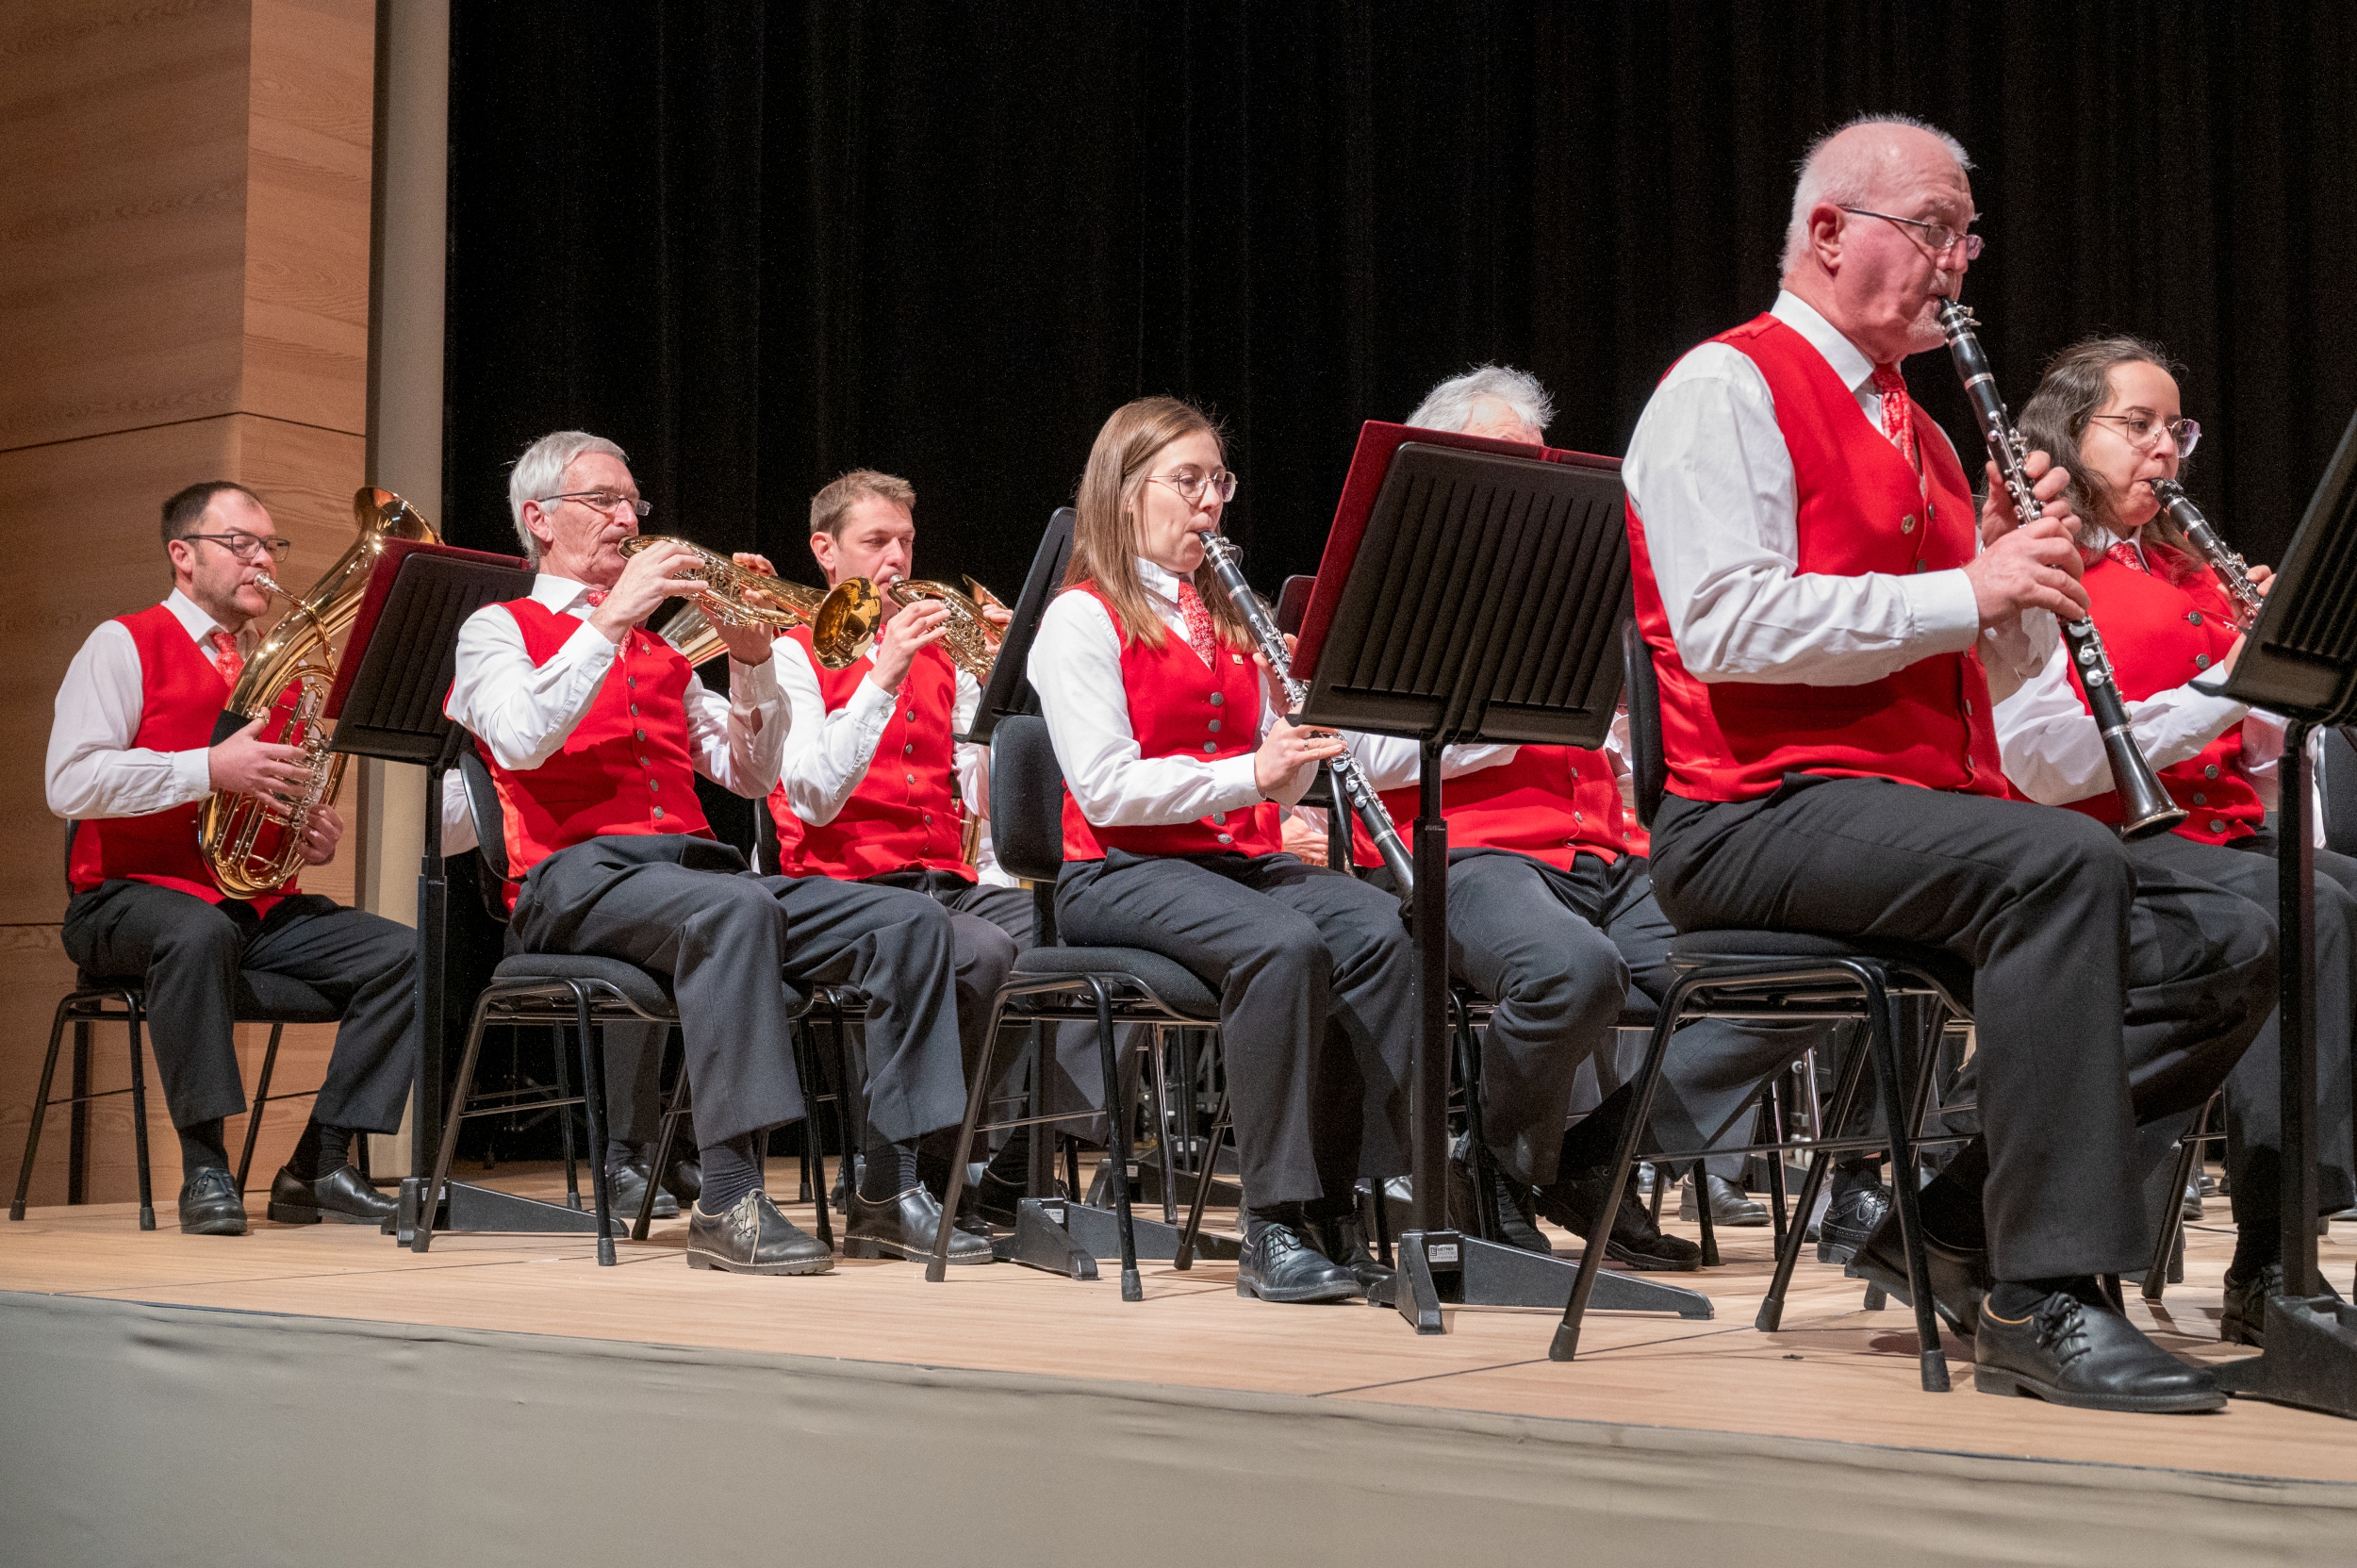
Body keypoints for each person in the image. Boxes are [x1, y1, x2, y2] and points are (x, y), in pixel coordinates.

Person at [1621, 114, 2276, 1412]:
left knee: (2238, 925)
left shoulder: (1918, 434)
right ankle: (2047, 1295)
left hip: (1908, 812)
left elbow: (1970, 680)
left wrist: (2023, 596)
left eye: (1967, 234)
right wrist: (1964, 584)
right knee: (2059, 865)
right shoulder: (1726, 388)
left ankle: (1957, 1224)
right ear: (1827, 235)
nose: (1959, 261)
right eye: (1933, 231)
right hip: (1752, 812)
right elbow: (1728, 627)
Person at [445, 430, 990, 1275]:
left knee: (912, 921)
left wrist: (749, 656)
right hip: (567, 879)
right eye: (605, 501)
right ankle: (729, 1199)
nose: (628, 518)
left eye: (634, 503)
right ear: (539, 520)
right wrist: (614, 614)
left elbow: (750, 771)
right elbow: (518, 737)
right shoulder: (495, 630)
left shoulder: (662, 653)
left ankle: (885, 1185)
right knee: (736, 907)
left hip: (686, 875)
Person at [1994, 337, 2357, 1344]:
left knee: (2331, 895)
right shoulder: (2044, 569)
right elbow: (2042, 761)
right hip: (2089, 850)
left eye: (2175, 428)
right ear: (2067, 436)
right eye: (2137, 425)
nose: (2166, 450)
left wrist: (2282, 668)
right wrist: (2222, 683)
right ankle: (2265, 1262)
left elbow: (2253, 756)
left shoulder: (2189, 569)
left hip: (2218, 838)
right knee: (2311, 907)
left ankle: (2280, 1249)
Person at [1029, 395, 1411, 1303]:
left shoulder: (1227, 622)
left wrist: (1296, 750)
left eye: (1219, 483)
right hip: (1115, 869)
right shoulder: (1080, 619)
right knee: (1282, 946)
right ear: (1126, 494)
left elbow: (1272, 777)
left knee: (1381, 927)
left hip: (1226, 862)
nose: (1210, 504)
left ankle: (1348, 1198)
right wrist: (1253, 771)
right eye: (1188, 482)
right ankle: (1271, 1224)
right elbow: (1108, 785)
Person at [46, 482, 418, 1235]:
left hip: (246, 905)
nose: (263, 560)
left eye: (271, 546)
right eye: (240, 543)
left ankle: (319, 1162)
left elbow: (257, 804)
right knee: (197, 933)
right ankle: (206, 1163)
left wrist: (301, 829)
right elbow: (70, 780)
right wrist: (208, 768)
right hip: (121, 898)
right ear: (183, 555)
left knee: (408, 954)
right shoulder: (123, 643)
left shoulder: (269, 664)